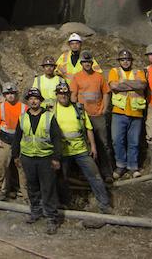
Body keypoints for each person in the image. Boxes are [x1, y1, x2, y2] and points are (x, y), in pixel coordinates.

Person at [52, 82, 111, 215]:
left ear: (69, 94)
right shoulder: (52, 110)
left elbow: (88, 128)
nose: (63, 96)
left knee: (95, 175)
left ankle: (104, 204)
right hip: (62, 151)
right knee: (61, 178)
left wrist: (93, 146)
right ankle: (64, 203)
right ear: (56, 95)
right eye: (60, 93)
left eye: (65, 93)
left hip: (81, 149)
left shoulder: (78, 108)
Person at [18, 87, 63, 235]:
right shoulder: (23, 117)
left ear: (40, 101)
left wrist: (56, 158)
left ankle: (51, 218)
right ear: (28, 101)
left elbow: (56, 138)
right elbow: (17, 138)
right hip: (28, 157)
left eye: (36, 99)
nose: (33, 101)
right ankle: (36, 211)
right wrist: (15, 156)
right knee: (32, 186)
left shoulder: (49, 117)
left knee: (48, 188)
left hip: (45, 158)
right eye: (31, 99)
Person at [69, 50, 113, 180]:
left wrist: (105, 108)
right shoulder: (76, 77)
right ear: (81, 63)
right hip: (84, 116)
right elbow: (73, 96)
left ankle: (107, 173)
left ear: (92, 62)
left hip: (98, 115)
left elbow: (106, 93)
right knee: (86, 145)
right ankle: (88, 174)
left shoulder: (99, 76)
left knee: (103, 144)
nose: (87, 64)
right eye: (84, 62)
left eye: (89, 62)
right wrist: (76, 112)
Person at [107, 49, 147, 178]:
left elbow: (142, 86)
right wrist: (133, 85)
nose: (125, 62)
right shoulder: (114, 71)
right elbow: (114, 86)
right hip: (119, 112)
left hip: (136, 112)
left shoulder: (139, 72)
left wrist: (123, 83)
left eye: (128, 59)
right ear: (119, 61)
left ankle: (133, 167)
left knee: (134, 142)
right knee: (117, 141)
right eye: (123, 60)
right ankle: (121, 165)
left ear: (131, 61)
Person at [0, 83, 26, 213]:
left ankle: (26, 196)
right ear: (4, 95)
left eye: (12, 93)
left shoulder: (24, 108)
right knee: (0, 167)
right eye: (8, 94)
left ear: (16, 94)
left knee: (22, 170)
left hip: (20, 142)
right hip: (4, 141)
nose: (10, 96)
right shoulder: (1, 107)